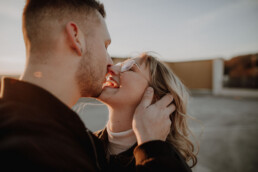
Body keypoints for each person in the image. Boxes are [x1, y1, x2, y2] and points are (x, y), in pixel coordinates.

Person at [0, 1, 175, 171]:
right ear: (76, 37)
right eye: (105, 45)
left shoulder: (72, 139)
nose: (110, 63)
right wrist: (153, 152)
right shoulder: (36, 152)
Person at [96, 52, 198, 171]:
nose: (111, 68)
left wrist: (152, 149)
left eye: (129, 67)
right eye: (118, 64)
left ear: (155, 97)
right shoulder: (83, 144)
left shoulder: (169, 163)